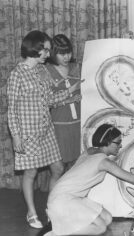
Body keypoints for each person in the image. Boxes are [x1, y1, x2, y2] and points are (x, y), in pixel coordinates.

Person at [43, 124, 134, 236]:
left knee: (107, 218)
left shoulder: (90, 151)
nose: (120, 145)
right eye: (117, 142)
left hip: (67, 197)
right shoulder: (104, 162)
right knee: (100, 228)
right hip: (63, 200)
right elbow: (133, 178)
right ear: (107, 142)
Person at [7, 30, 81, 229]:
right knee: (30, 173)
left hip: (46, 130)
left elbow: (49, 100)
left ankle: (51, 208)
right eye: (46, 50)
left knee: (57, 168)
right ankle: (31, 213)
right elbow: (11, 108)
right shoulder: (17, 74)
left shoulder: (42, 72)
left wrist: (70, 94)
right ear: (36, 50)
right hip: (27, 133)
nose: (49, 54)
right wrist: (16, 135)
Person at [46, 34, 81, 170]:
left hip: (78, 125)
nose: (66, 57)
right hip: (58, 127)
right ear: (54, 53)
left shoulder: (77, 67)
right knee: (58, 169)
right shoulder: (46, 71)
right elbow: (45, 102)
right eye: (61, 53)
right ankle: (55, 192)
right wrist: (67, 99)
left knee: (76, 168)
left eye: (68, 52)